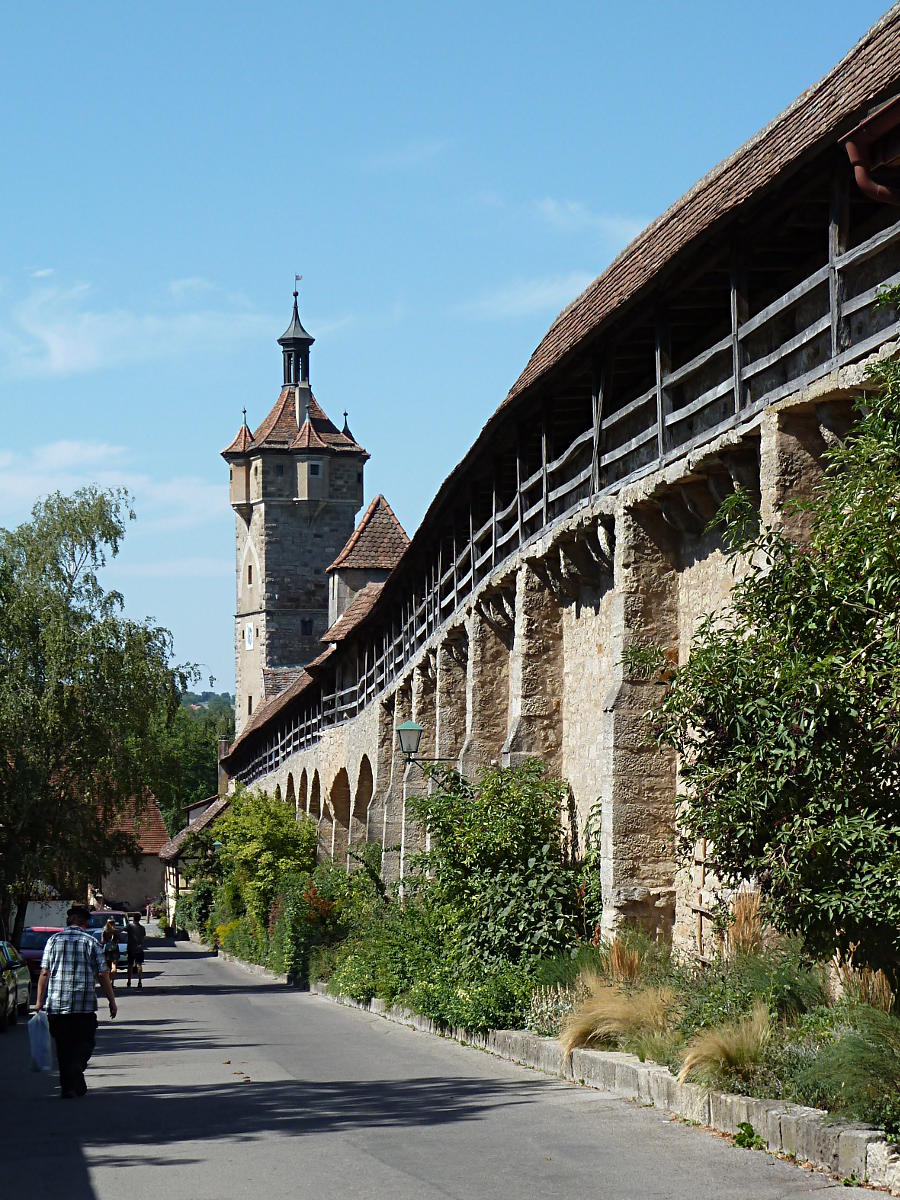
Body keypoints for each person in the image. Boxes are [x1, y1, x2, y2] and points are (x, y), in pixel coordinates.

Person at [34, 904, 117, 1099]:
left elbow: (44, 972)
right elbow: (103, 974)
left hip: (57, 1006)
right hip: (84, 1005)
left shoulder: (53, 941)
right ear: (85, 923)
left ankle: (68, 1088)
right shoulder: (91, 942)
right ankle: (77, 1067)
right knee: (85, 1042)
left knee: (63, 1047)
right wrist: (111, 1001)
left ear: (69, 921)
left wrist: (38, 1001)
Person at [126, 912, 146, 989]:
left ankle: (129, 982)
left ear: (134, 918)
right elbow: (143, 937)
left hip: (131, 948)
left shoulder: (130, 926)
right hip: (139, 948)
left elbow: (121, 930)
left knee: (130, 965)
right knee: (139, 965)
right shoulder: (142, 928)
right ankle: (140, 982)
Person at [100, 918, 120, 987]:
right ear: (114, 923)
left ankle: (107, 982)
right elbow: (119, 940)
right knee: (114, 965)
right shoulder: (116, 931)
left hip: (107, 949)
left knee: (107, 967)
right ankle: (112, 983)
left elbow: (102, 942)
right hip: (115, 949)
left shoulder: (104, 931)